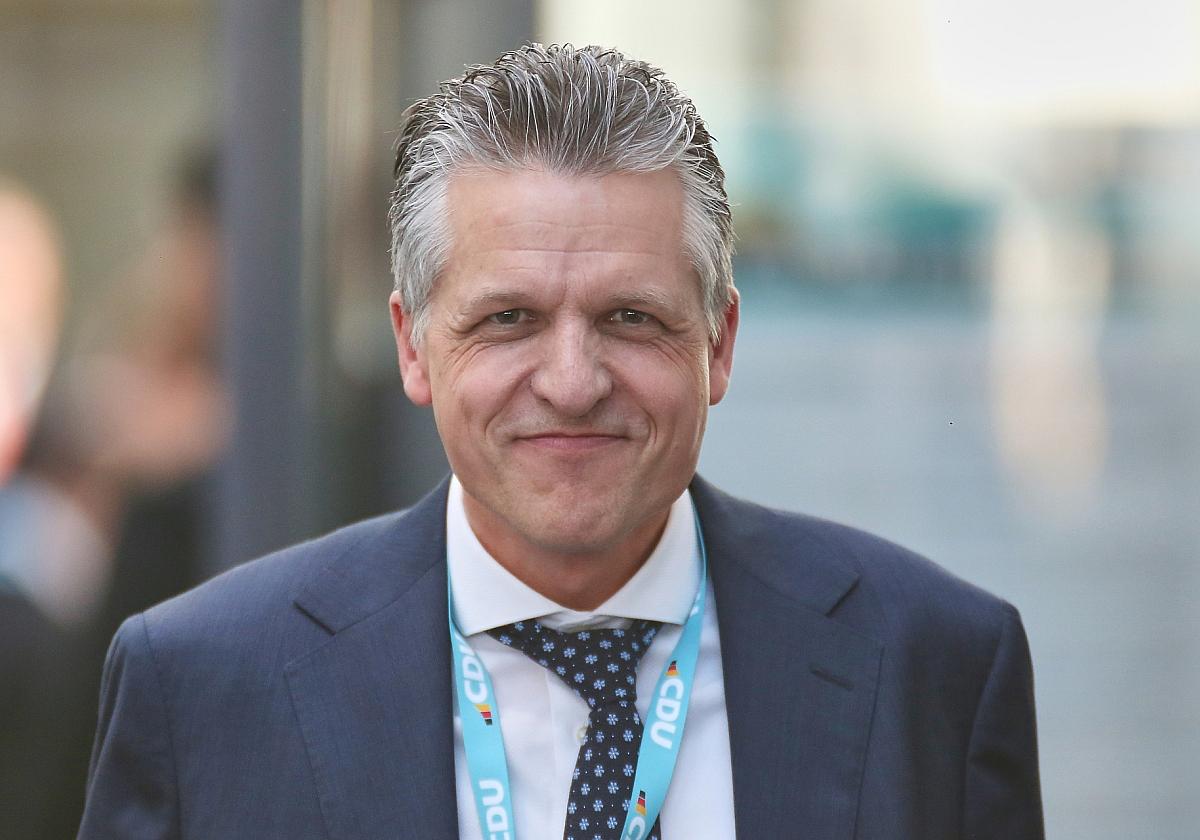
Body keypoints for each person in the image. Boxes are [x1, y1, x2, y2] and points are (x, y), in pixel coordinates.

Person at [78, 44, 1043, 839]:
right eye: (509, 319)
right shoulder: (205, 686)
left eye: (630, 317)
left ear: (718, 344)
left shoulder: (932, 666)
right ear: (414, 346)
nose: (573, 383)